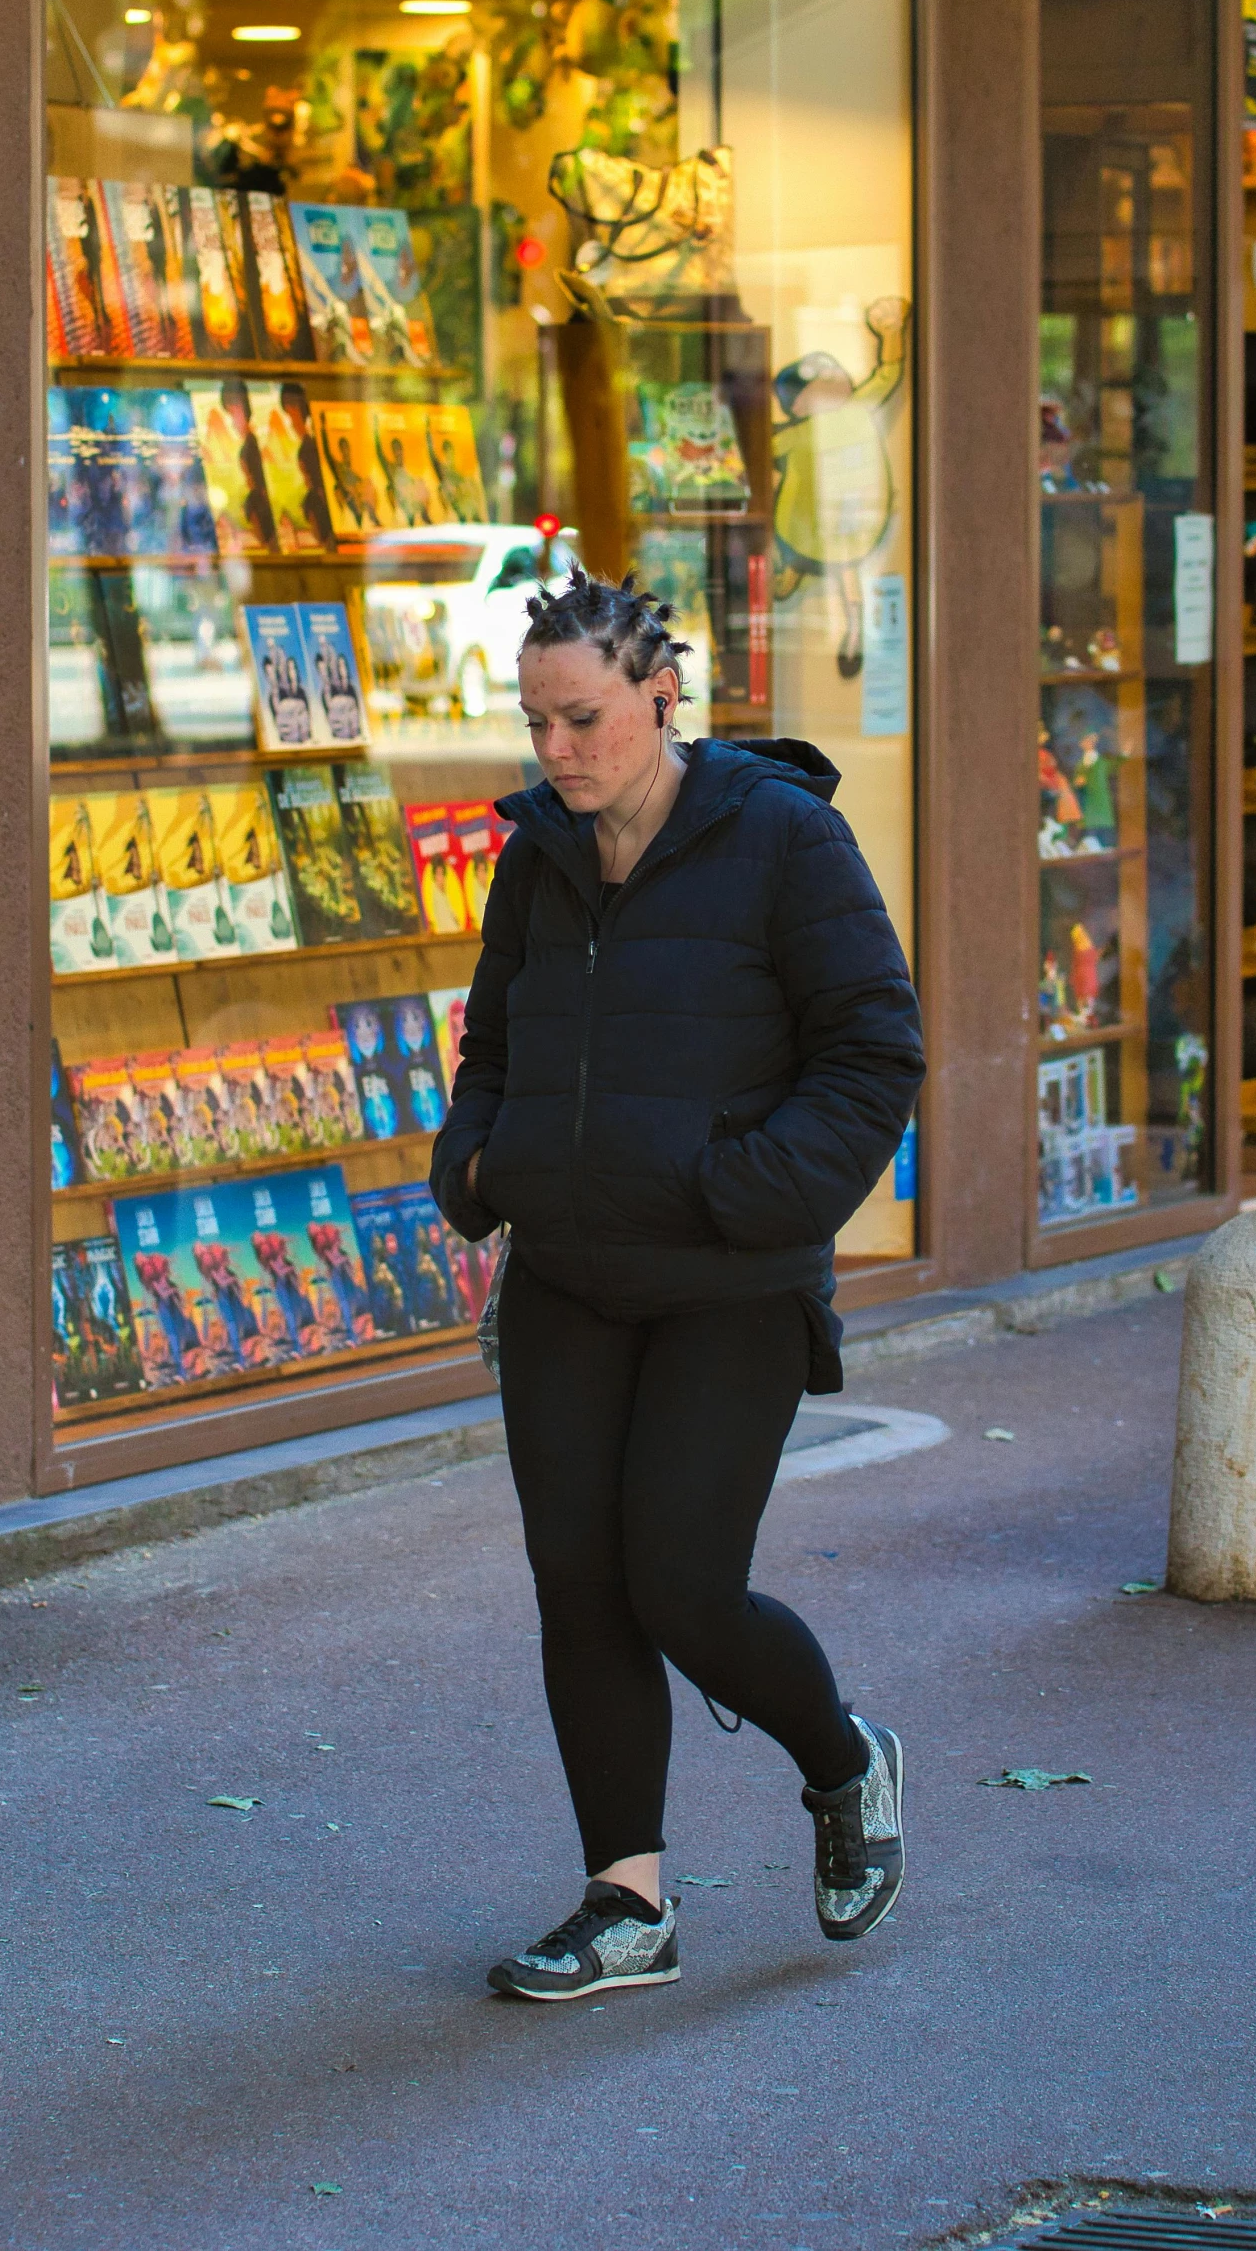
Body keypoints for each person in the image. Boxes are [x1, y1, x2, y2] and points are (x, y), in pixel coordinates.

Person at [431, 568, 925, 2002]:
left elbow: (871, 1052)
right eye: (535, 725)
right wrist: (478, 1164)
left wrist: (741, 1194)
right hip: (568, 1278)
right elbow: (495, 1039)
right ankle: (624, 1898)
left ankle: (845, 1761)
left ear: (661, 694)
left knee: (683, 1586)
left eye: (580, 719)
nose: (556, 752)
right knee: (578, 1586)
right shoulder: (540, 852)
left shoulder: (784, 838)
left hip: (729, 1281)